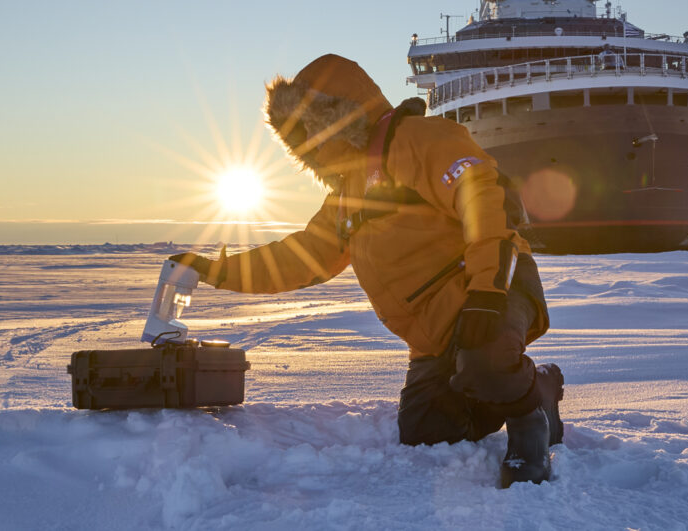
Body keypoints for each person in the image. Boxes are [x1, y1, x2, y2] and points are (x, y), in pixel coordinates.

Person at [170, 54, 562, 488]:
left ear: (339, 117)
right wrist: (216, 271)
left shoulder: (418, 139)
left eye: (311, 130)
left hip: (496, 284)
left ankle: (530, 423)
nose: (309, 145)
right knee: (426, 432)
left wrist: (487, 292)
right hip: (435, 334)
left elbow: (482, 198)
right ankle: (532, 386)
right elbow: (299, 257)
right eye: (299, 138)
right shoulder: (346, 198)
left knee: (485, 361)